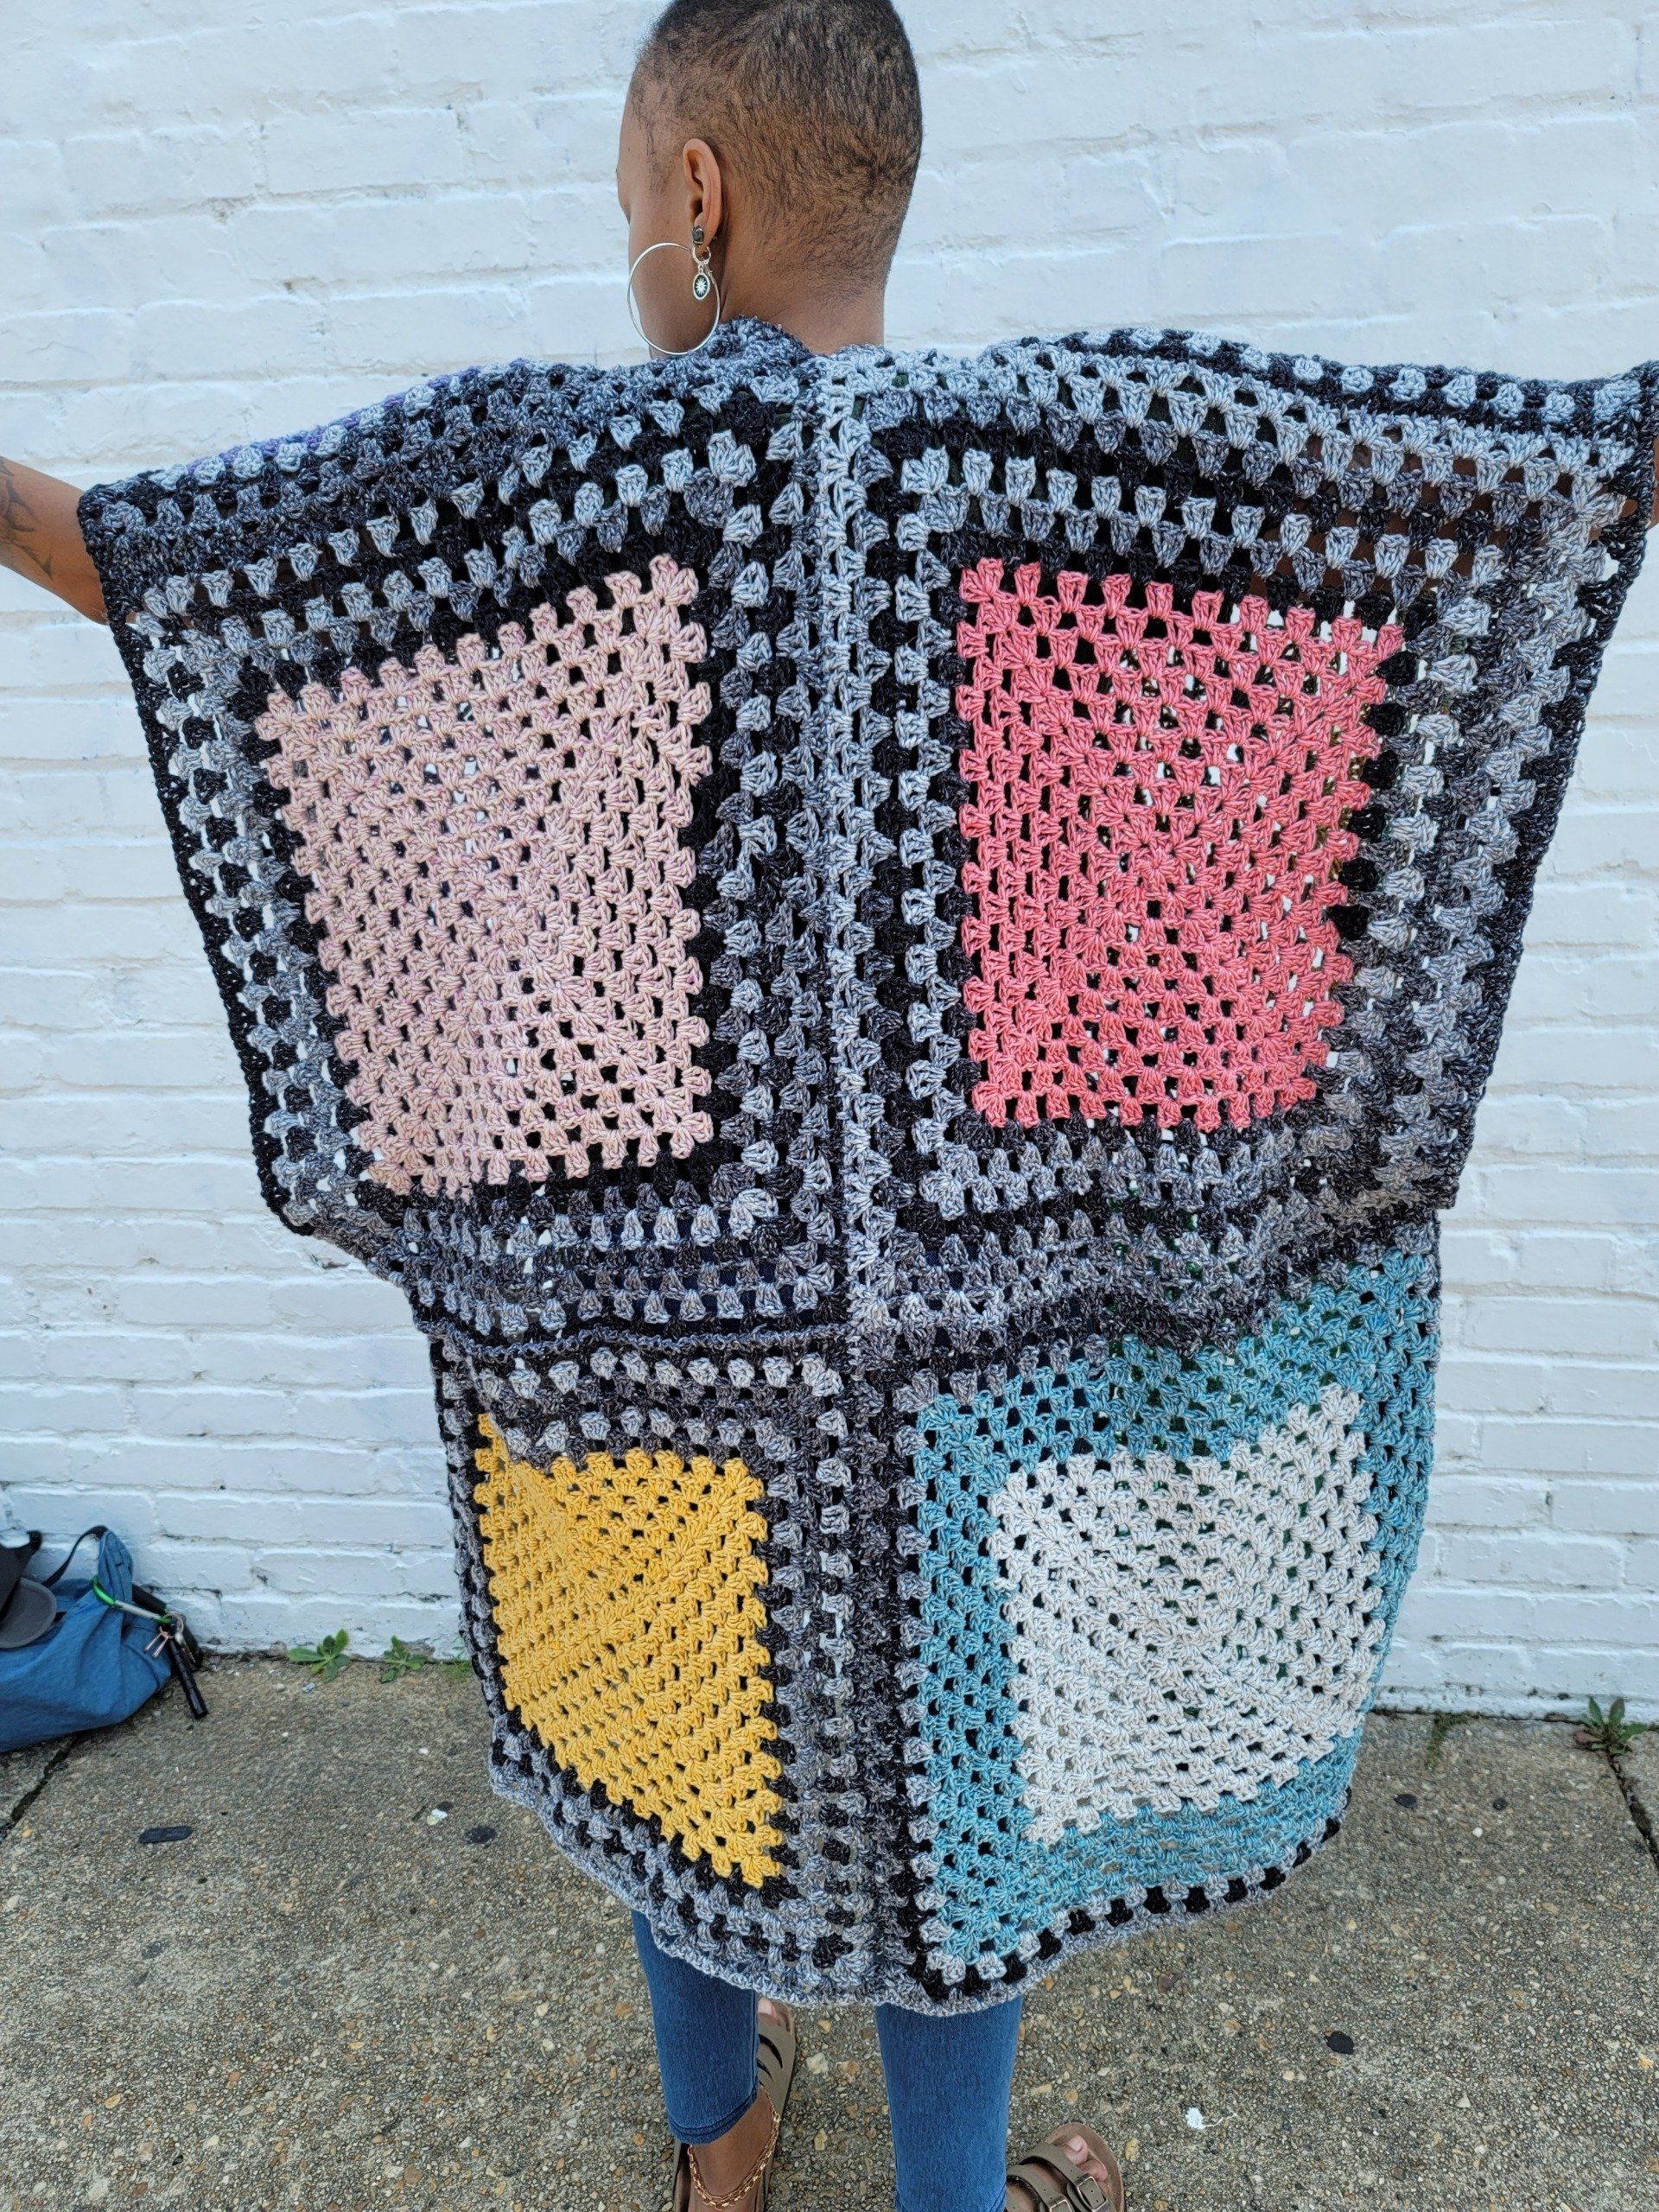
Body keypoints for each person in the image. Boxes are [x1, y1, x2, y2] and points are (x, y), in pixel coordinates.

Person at [4, 6, 1656, 2212]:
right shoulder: (1085, 463)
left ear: (694, 193)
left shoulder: (559, 496)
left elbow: (197, 588)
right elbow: (1500, 508)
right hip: (1012, 1364)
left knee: (675, 1726)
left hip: (642, 1353)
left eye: (627, 197)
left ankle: (721, 2153)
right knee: (970, 1786)